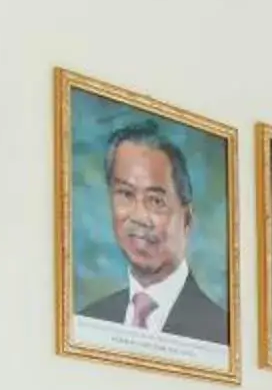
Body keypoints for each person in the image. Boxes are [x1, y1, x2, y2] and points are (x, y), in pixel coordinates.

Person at [78, 121, 226, 344]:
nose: (139, 216)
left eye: (156, 200)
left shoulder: (223, 333)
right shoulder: (87, 322)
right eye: (126, 194)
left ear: (187, 219)